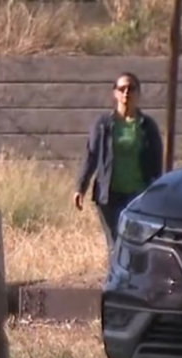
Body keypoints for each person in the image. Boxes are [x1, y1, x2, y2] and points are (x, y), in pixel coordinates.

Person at [73, 72, 163, 252]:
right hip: (109, 195)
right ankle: (117, 280)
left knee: (137, 244)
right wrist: (80, 187)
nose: (126, 93)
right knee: (115, 244)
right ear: (115, 93)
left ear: (139, 93)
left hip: (138, 195)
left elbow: (157, 160)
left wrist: (157, 190)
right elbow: (91, 156)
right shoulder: (103, 124)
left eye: (131, 89)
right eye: (122, 89)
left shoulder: (147, 125)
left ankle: (132, 279)